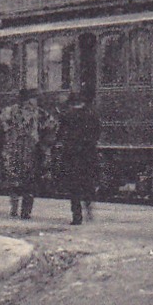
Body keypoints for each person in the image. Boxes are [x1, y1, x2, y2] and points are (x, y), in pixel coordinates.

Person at [0, 90, 55, 219]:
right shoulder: (17, 111)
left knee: (25, 181)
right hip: (19, 150)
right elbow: (1, 123)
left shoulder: (35, 112)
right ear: (26, 100)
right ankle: (19, 209)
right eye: (31, 99)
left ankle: (22, 210)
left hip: (25, 149)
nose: (33, 102)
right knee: (19, 181)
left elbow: (51, 124)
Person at [54, 93, 100, 225]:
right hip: (88, 154)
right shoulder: (92, 115)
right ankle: (89, 210)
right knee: (88, 183)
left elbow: (60, 134)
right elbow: (97, 133)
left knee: (74, 186)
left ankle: (77, 216)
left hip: (72, 155)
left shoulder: (67, 116)